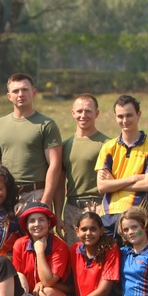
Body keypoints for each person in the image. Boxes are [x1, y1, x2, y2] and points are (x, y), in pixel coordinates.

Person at [0, 73, 62, 207]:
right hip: (6, 194)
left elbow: (55, 165)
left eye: (25, 90)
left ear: (34, 92)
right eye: (15, 91)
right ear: (9, 96)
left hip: (36, 194)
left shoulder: (46, 124)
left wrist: (46, 199)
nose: (20, 94)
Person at [96, 95, 148, 234]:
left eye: (129, 115)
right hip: (109, 216)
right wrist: (133, 178)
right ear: (115, 117)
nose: (125, 120)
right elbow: (101, 187)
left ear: (139, 115)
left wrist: (113, 183)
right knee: (110, 256)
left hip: (138, 216)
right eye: (120, 116)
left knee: (139, 256)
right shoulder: (108, 147)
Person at [59, 212, 122, 296]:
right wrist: (42, 284)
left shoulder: (111, 248)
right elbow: (69, 285)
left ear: (102, 230)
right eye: (84, 229)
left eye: (93, 229)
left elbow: (103, 291)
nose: (88, 233)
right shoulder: (74, 249)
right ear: (77, 231)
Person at [59, 94, 110, 246]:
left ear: (97, 113)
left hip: (99, 206)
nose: (83, 115)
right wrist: (58, 214)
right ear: (73, 113)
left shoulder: (107, 144)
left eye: (88, 111)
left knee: (100, 256)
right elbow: (60, 184)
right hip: (72, 208)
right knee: (74, 258)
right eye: (79, 111)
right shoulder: (66, 145)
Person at [11, 202, 71, 296]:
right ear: (27, 225)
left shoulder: (59, 246)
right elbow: (18, 275)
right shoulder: (19, 244)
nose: (36, 224)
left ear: (49, 223)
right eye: (32, 221)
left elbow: (48, 281)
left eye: (41, 220)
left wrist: (39, 252)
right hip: (30, 294)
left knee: (45, 294)